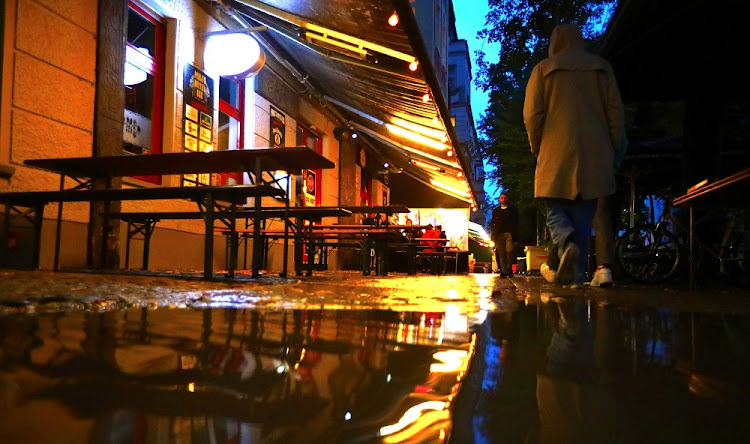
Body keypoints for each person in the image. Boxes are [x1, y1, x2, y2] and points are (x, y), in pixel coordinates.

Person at [524, 23, 625, 288]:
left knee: (550, 202)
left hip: (555, 149)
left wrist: (537, 146)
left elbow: (532, 115)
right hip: (596, 152)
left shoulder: (543, 70)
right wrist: (615, 147)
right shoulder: (602, 69)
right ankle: (575, 282)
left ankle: (565, 242)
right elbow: (616, 113)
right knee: (584, 213)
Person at [490, 192, 519, 277]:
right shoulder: (496, 211)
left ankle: (508, 269)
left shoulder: (512, 210)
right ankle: (504, 271)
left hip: (509, 233)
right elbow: (493, 223)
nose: (503, 200)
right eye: (501, 198)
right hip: (499, 234)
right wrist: (493, 236)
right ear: (499, 199)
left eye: (504, 198)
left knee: (509, 251)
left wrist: (515, 234)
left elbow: (516, 222)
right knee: (501, 253)